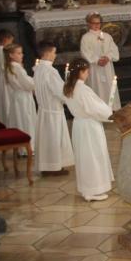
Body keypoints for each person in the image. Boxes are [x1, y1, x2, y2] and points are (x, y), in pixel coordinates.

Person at [63, 58, 115, 202]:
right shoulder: (82, 89)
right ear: (80, 72)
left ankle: (87, 188)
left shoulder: (68, 87)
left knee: (84, 157)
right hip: (89, 126)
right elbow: (94, 108)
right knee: (93, 157)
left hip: (79, 125)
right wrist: (109, 112)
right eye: (87, 71)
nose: (88, 74)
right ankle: (93, 190)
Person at [33, 41, 74, 176]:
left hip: (43, 109)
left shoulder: (37, 68)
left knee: (46, 139)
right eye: (54, 52)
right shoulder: (51, 71)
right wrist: (69, 95)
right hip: (53, 110)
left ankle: (46, 165)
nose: (55, 55)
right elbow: (59, 91)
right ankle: (54, 167)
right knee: (54, 138)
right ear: (48, 53)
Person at [80, 12, 121, 110]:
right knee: (96, 86)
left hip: (107, 67)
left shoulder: (107, 36)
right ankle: (97, 109)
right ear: (89, 24)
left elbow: (114, 50)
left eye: (98, 23)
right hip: (94, 68)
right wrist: (96, 60)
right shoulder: (86, 37)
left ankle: (112, 108)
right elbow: (85, 52)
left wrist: (108, 57)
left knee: (109, 87)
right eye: (94, 23)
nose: (96, 25)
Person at [3, 43, 37, 152]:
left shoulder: (10, 67)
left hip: (17, 96)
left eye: (21, 53)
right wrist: (35, 79)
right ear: (11, 55)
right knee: (26, 120)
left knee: (19, 120)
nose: (22, 55)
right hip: (23, 98)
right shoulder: (17, 68)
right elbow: (28, 84)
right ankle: (28, 147)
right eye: (18, 53)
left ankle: (20, 148)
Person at [0, 29, 15, 122]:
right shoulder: (2, 52)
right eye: (11, 41)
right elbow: (5, 67)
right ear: (6, 40)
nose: (11, 43)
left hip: (2, 78)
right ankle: (8, 121)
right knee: (7, 102)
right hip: (6, 79)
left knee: (4, 101)